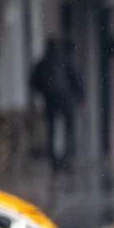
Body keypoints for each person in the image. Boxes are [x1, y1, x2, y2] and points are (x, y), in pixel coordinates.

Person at [30, 38, 84, 173]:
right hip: (66, 99)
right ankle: (67, 158)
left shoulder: (43, 62)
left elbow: (33, 81)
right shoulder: (65, 61)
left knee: (51, 129)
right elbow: (75, 78)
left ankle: (54, 159)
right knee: (69, 129)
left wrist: (44, 93)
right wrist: (80, 96)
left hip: (50, 100)